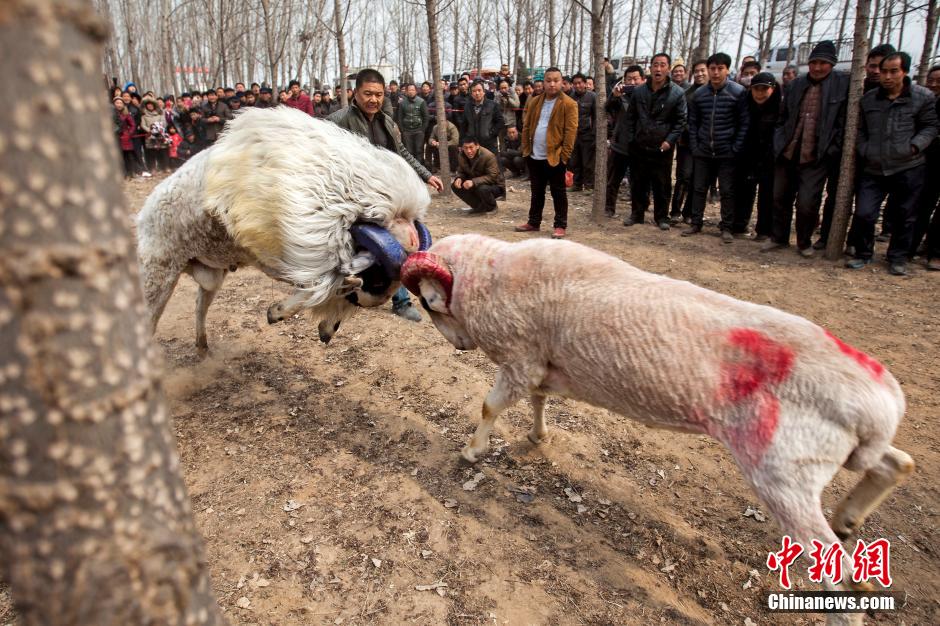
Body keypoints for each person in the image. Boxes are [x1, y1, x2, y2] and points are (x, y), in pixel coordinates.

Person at [328, 68, 444, 322]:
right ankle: (339, 293)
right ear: (355, 93)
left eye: (378, 95)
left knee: (400, 245)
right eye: (367, 93)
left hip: (383, 196)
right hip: (351, 195)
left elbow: (402, 153)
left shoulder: (387, 122)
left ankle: (400, 301)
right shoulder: (337, 121)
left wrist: (427, 175)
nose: (373, 99)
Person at [845, 52, 937, 276]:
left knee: (905, 214)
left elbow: (931, 127)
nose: (887, 76)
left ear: (904, 71)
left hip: (909, 166)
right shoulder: (869, 99)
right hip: (874, 167)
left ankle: (897, 257)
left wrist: (914, 146)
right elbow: (860, 129)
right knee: (865, 213)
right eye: (884, 71)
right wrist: (865, 149)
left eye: (893, 71)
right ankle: (864, 254)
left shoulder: (922, 97)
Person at [761, 41, 850, 256]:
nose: (818, 68)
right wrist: (779, 141)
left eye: (823, 63)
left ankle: (803, 241)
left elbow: (843, 123)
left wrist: (832, 149)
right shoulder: (795, 85)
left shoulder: (843, 85)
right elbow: (782, 118)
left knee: (807, 203)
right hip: (788, 151)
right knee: (779, 198)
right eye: (814, 62)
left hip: (817, 156)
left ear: (832, 64)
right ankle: (779, 237)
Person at [683, 52, 748, 241]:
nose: (716, 73)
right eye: (713, 68)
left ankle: (726, 227)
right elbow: (693, 123)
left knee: (727, 190)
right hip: (703, 150)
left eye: (720, 69)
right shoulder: (700, 94)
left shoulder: (737, 92)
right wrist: (695, 146)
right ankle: (696, 223)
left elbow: (744, 123)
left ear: (727, 70)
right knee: (699, 188)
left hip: (727, 151)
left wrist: (736, 147)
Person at [623, 53, 687, 230]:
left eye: (662, 65)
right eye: (655, 65)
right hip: (639, 145)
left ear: (668, 68)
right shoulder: (639, 91)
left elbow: (680, 121)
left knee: (662, 183)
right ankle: (637, 213)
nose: (658, 69)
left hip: (662, 147)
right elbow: (630, 118)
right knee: (638, 182)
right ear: (650, 68)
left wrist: (669, 141)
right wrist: (631, 139)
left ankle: (662, 217)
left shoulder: (677, 93)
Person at [515, 67, 578, 239]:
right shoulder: (535, 101)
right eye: (548, 80)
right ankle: (533, 222)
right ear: (543, 82)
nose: (552, 84)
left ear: (562, 82)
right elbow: (527, 126)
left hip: (555, 156)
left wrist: (564, 156)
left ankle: (560, 225)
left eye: (556, 80)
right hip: (534, 155)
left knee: (558, 192)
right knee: (537, 191)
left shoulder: (569, 104)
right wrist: (526, 149)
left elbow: (570, 133)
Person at [733, 72, 780, 240]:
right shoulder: (745, 104)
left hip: (771, 157)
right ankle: (739, 225)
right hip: (747, 155)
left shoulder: (780, 107)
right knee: (743, 192)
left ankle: (764, 230)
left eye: (764, 89)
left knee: (767, 195)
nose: (760, 93)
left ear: (773, 89)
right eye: (756, 89)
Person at [604, 66, 645, 218]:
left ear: (643, 80)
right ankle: (609, 208)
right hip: (620, 144)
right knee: (613, 179)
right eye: (629, 79)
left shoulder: (647, 96)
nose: (632, 82)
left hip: (640, 146)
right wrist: (614, 96)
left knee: (638, 182)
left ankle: (637, 212)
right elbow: (607, 108)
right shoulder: (620, 96)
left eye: (636, 79)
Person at [670, 60, 707, 223]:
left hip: (708, 144)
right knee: (684, 176)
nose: (700, 74)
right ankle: (676, 211)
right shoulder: (687, 94)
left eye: (703, 70)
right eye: (697, 71)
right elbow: (681, 118)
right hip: (687, 142)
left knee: (699, 180)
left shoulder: (716, 92)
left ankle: (690, 213)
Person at [911, 65, 940, 270]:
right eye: (931, 79)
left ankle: (936, 251)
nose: (934, 84)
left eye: (938, 80)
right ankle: (911, 248)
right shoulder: (924, 102)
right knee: (921, 206)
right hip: (925, 161)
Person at [452, 137, 505, 214]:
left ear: (477, 146)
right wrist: (459, 178)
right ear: (462, 148)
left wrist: (473, 182)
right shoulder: (461, 155)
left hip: (495, 185)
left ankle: (492, 207)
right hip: (475, 181)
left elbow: (492, 176)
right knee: (455, 186)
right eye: (465, 148)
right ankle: (479, 207)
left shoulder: (488, 156)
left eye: (471, 147)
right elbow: (461, 170)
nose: (468, 151)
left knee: (482, 188)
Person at [568, 73, 596, 191]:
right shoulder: (570, 97)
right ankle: (577, 184)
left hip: (588, 134)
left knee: (588, 162)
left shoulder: (593, 97)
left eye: (580, 83)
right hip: (574, 134)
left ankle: (589, 185)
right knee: (575, 161)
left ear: (585, 83)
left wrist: (594, 133)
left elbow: (596, 117)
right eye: (575, 83)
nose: (577, 85)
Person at [460, 80, 504, 156]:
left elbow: (500, 122)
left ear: (484, 92)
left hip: (489, 144)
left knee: (491, 165)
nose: (477, 93)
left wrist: (492, 133)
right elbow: (463, 125)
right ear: (471, 93)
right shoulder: (467, 106)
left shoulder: (493, 105)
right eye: (474, 91)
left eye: (479, 90)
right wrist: (462, 141)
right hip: (472, 144)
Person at [397, 83, 429, 165]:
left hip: (419, 131)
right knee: (408, 151)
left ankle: (420, 169)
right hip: (407, 131)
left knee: (419, 150)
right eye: (409, 90)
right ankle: (411, 169)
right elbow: (399, 117)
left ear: (416, 91)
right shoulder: (402, 103)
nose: (411, 92)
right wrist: (402, 130)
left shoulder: (421, 102)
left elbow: (426, 117)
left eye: (412, 90)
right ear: (406, 91)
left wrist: (422, 130)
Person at [113, 96, 137, 179]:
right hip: (116, 137)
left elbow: (133, 125)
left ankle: (131, 172)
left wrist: (129, 133)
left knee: (129, 156)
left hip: (126, 137)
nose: (119, 105)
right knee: (120, 157)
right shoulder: (112, 114)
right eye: (117, 103)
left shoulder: (126, 114)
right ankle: (124, 173)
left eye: (120, 103)